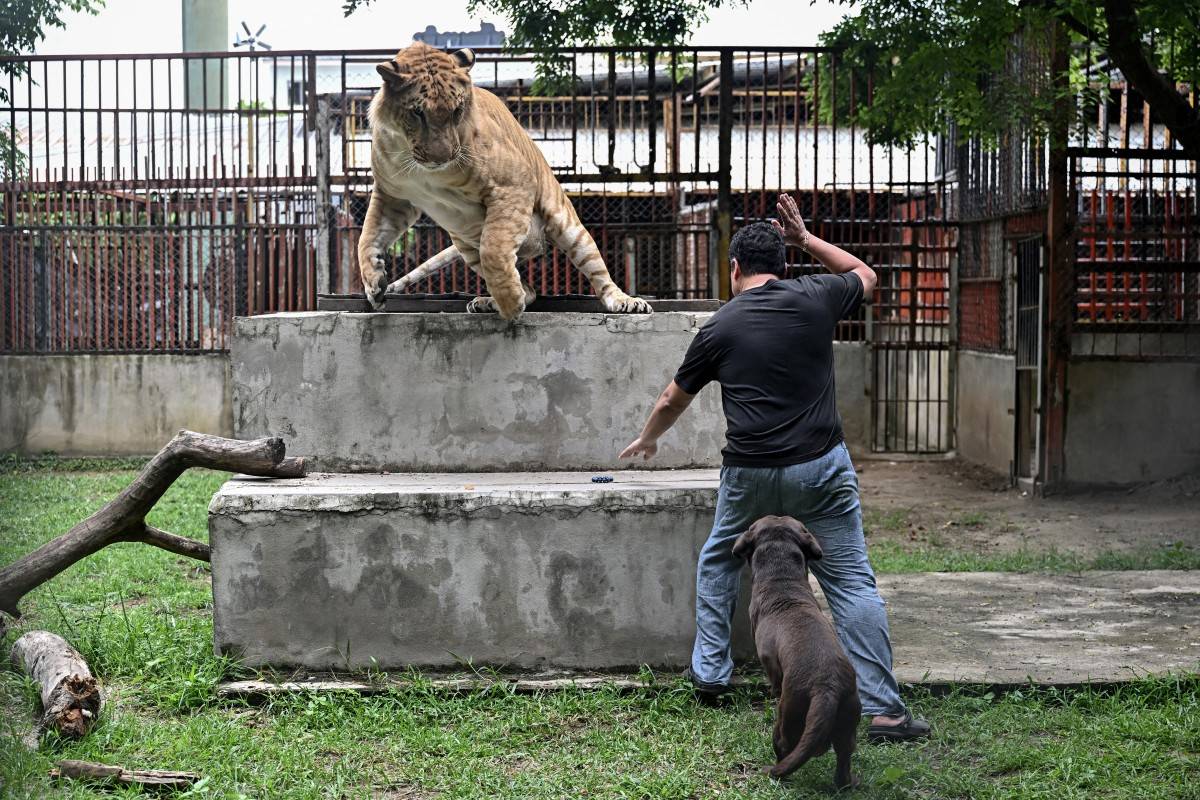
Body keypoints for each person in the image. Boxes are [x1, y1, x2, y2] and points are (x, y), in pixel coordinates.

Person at [619, 194, 930, 742]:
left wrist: (648, 438)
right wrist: (807, 238)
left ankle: (711, 673)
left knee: (719, 560)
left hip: (751, 474)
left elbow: (672, 399)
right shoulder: (817, 297)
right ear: (785, 265)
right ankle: (883, 708)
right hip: (822, 470)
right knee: (851, 581)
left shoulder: (719, 327)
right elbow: (865, 273)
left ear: (733, 268)